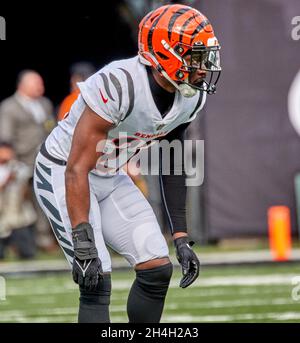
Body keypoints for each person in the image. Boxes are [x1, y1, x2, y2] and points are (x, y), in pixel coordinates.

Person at [33, 4, 221, 323]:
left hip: (109, 174)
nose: (203, 67)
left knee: (157, 267)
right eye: (194, 56)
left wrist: (180, 236)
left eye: (205, 56)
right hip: (62, 172)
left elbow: (172, 161)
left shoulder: (189, 95)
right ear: (164, 54)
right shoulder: (120, 84)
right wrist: (83, 239)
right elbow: (76, 168)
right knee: (96, 278)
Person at [0, 70, 56, 252]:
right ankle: (17, 242)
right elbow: (5, 138)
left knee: (45, 199)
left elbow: (51, 128)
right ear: (22, 85)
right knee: (17, 206)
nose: (41, 87)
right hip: (22, 161)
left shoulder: (45, 103)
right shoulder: (10, 106)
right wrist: (12, 164)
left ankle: (44, 238)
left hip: (45, 159)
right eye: (36, 84)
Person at [0, 142, 37, 259]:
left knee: (27, 252)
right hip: (2, 211)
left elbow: (27, 192)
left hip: (18, 212)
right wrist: (8, 180)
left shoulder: (19, 167)